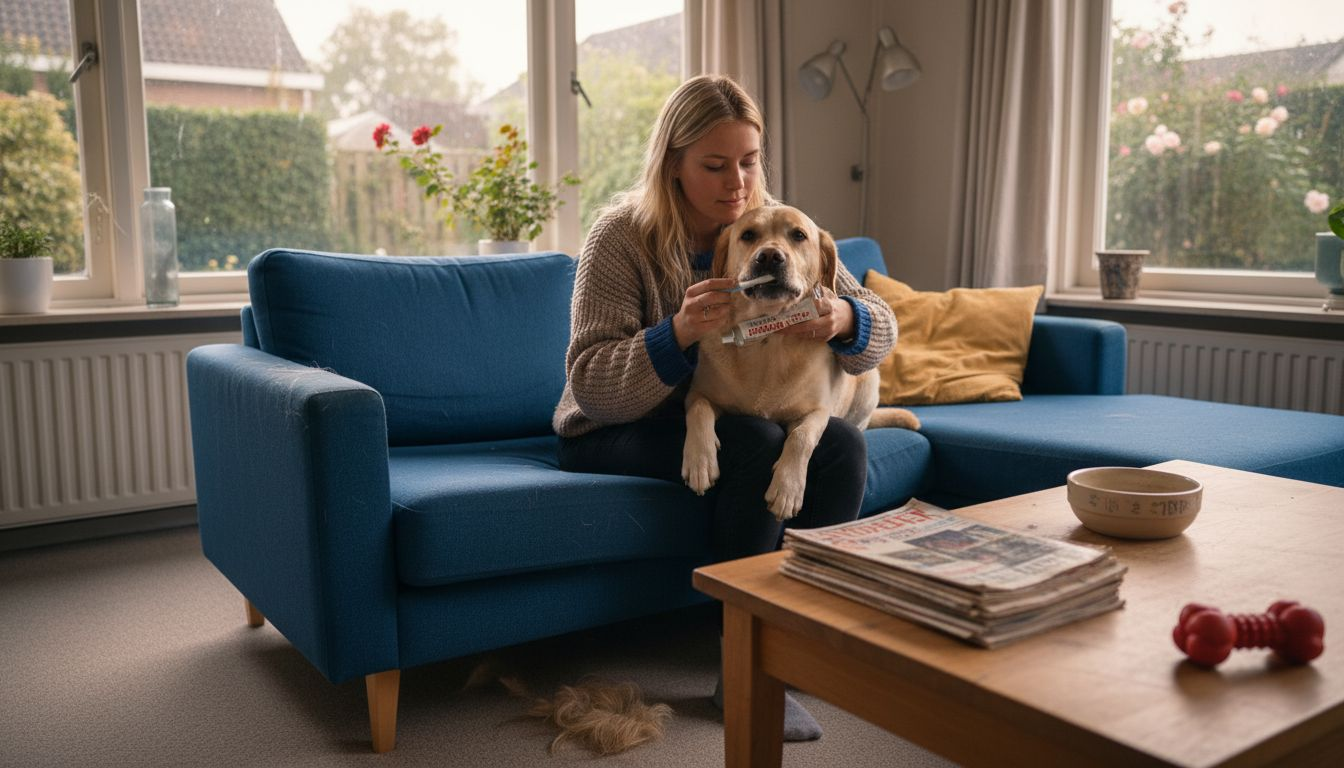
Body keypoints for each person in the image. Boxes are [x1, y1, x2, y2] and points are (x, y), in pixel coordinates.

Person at [551, 75, 897, 741]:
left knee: (846, 448)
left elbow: (880, 326)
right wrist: (675, 333)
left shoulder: (772, 229)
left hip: (735, 418)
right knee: (751, 440)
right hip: (616, 427)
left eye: (749, 160)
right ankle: (739, 662)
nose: (737, 182)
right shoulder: (620, 238)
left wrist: (844, 317)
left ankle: (792, 645)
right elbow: (591, 384)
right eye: (714, 165)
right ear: (672, 163)